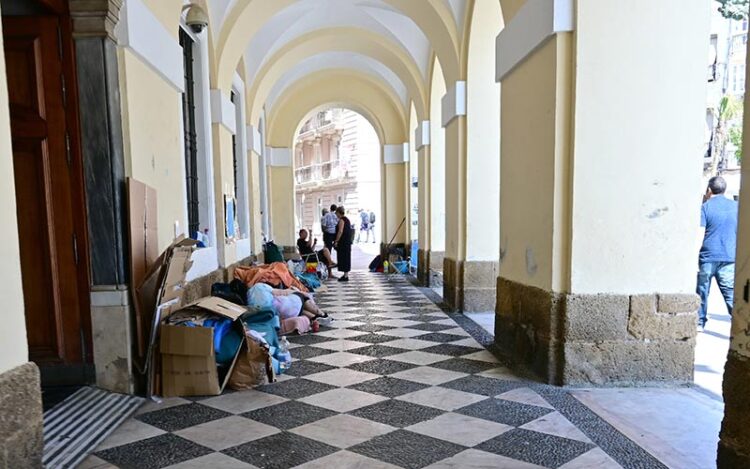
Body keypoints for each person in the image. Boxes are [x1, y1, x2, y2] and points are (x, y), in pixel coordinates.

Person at [696, 176, 738, 332]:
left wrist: (695, 257)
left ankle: (700, 322)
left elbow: (700, 233)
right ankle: (742, 322)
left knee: (702, 291)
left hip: (707, 257)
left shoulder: (705, 207)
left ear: (709, 190)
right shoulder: (736, 207)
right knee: (730, 293)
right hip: (729, 257)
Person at [334, 206, 353, 282]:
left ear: (339, 213)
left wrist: (336, 241)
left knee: (343, 258)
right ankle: (345, 275)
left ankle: (345, 276)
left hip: (343, 242)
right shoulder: (347, 220)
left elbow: (340, 231)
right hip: (347, 242)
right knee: (346, 258)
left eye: (336, 213)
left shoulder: (342, 220)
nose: (336, 214)